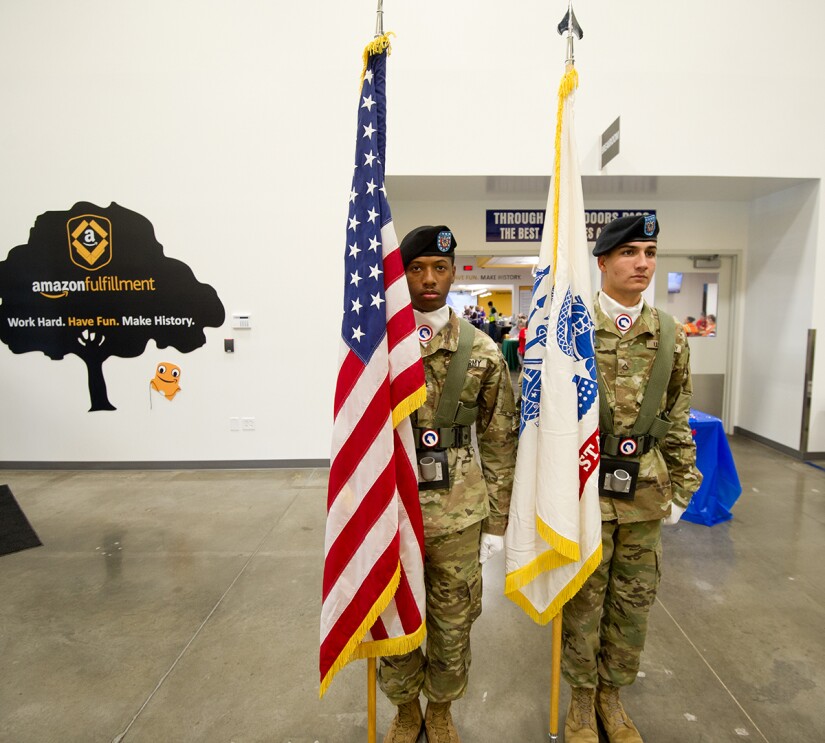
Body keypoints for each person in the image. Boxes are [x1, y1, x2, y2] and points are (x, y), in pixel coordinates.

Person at [562, 215, 702, 743]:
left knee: (632, 602)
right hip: (582, 492)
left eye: (649, 252)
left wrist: (684, 488)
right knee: (584, 601)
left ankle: (611, 698)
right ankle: (579, 702)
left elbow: (678, 416)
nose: (642, 262)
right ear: (603, 261)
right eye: (629, 252)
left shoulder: (671, 335)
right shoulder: (570, 332)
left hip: (645, 493)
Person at [380, 225, 518, 743]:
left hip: (460, 515)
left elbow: (502, 440)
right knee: (395, 614)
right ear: (402, 275)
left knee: (453, 620)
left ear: (454, 271)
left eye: (439, 268)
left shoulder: (481, 350)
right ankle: (403, 708)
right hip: (394, 509)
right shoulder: (381, 350)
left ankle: (439, 707)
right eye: (416, 269)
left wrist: (497, 524)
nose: (429, 279)